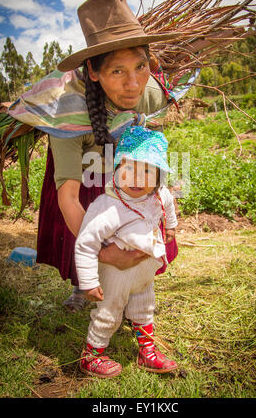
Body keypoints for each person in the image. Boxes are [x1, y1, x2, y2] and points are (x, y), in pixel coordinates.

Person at [34, 0, 179, 311]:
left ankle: (134, 289)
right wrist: (100, 249)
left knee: (133, 232)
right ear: (94, 73)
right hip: (82, 177)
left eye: (140, 67)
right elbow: (69, 198)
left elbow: (151, 152)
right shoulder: (66, 114)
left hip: (125, 172)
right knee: (86, 232)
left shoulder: (152, 91)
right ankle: (80, 286)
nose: (133, 83)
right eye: (117, 71)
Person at [75, 126, 178, 377]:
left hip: (144, 271)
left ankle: (147, 352)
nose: (136, 178)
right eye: (129, 168)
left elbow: (169, 203)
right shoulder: (107, 206)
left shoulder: (157, 195)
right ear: (116, 169)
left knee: (144, 308)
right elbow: (85, 243)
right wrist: (88, 282)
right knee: (109, 311)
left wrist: (172, 227)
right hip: (116, 274)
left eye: (147, 171)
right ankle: (92, 354)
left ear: (158, 177)